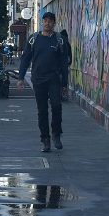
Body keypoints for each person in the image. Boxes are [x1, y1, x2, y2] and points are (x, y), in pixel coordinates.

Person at [17, 12, 67, 152]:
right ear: (42, 22)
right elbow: (25, 59)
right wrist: (21, 78)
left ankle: (56, 134)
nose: (47, 23)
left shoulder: (59, 40)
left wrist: (65, 84)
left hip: (54, 79)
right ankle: (45, 139)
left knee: (57, 106)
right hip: (38, 80)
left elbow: (64, 63)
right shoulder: (34, 39)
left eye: (50, 21)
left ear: (54, 23)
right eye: (45, 20)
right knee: (42, 110)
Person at [59, 29, 73, 101]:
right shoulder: (67, 43)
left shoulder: (58, 42)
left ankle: (59, 94)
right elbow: (70, 54)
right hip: (65, 65)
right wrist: (69, 62)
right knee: (64, 79)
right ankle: (63, 93)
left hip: (58, 65)